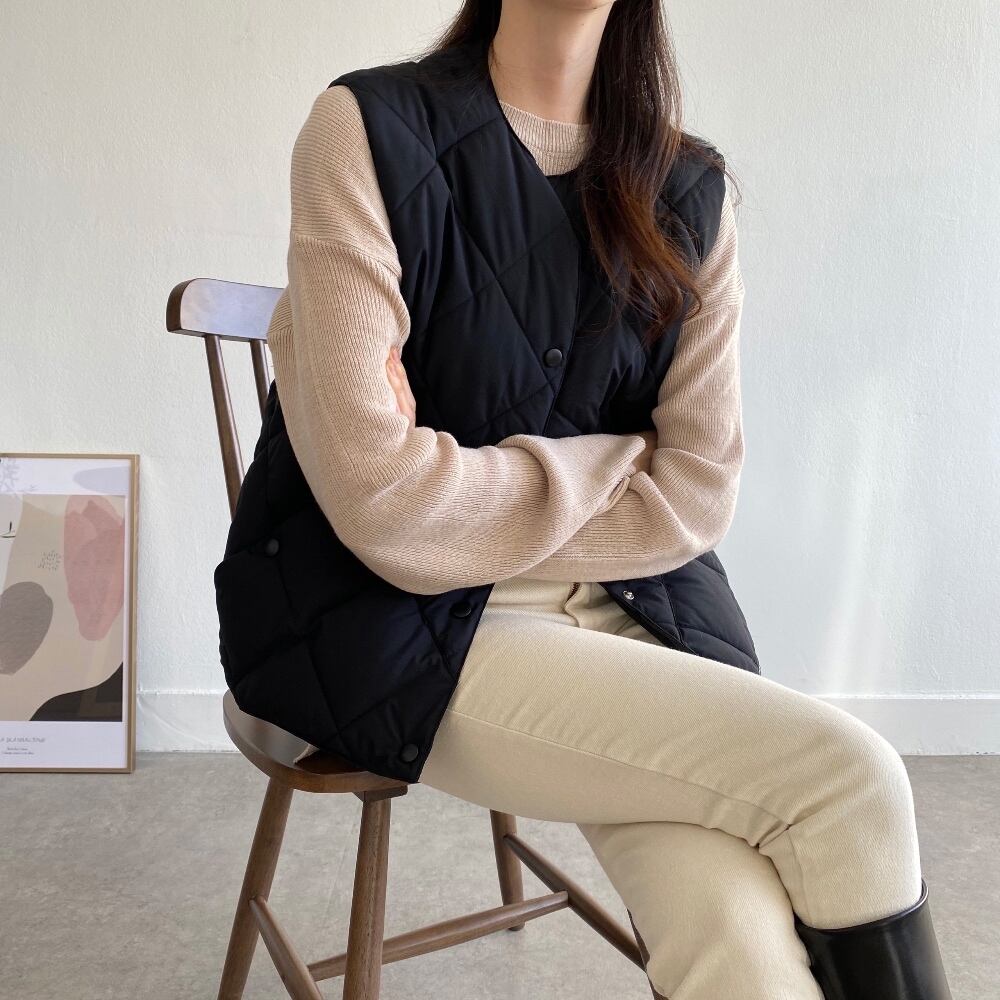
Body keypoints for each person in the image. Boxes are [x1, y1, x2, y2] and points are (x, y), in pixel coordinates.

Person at [258, 2, 954, 998]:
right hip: (408, 620)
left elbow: (697, 493)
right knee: (852, 779)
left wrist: (455, 481)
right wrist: (618, 461)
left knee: (742, 955)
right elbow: (383, 505)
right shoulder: (365, 130)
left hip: (640, 607)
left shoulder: (690, 192)